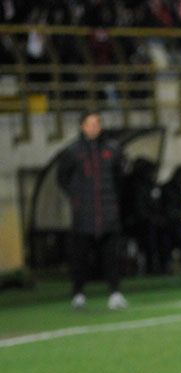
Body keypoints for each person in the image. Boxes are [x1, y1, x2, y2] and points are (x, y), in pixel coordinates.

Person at [56, 110, 127, 310]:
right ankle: (78, 294)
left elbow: (120, 178)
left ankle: (115, 293)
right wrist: (77, 198)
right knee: (80, 256)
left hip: (108, 211)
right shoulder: (73, 152)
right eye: (90, 124)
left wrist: (113, 200)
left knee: (112, 255)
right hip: (84, 214)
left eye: (97, 123)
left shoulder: (113, 149)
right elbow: (62, 178)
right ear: (82, 126)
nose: (94, 127)